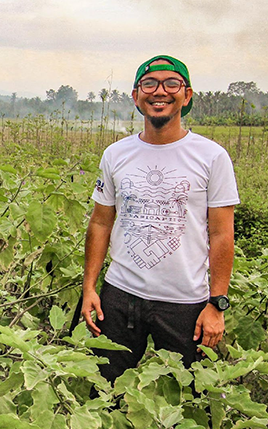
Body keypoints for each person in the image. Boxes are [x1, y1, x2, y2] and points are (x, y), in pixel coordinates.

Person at [82, 54, 239, 380]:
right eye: (150, 84)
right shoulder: (116, 154)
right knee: (103, 388)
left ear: (187, 95)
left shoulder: (211, 156)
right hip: (120, 296)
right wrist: (89, 287)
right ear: (136, 95)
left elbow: (221, 234)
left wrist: (217, 304)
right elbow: (100, 222)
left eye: (172, 84)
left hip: (185, 303)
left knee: (193, 397)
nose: (160, 92)